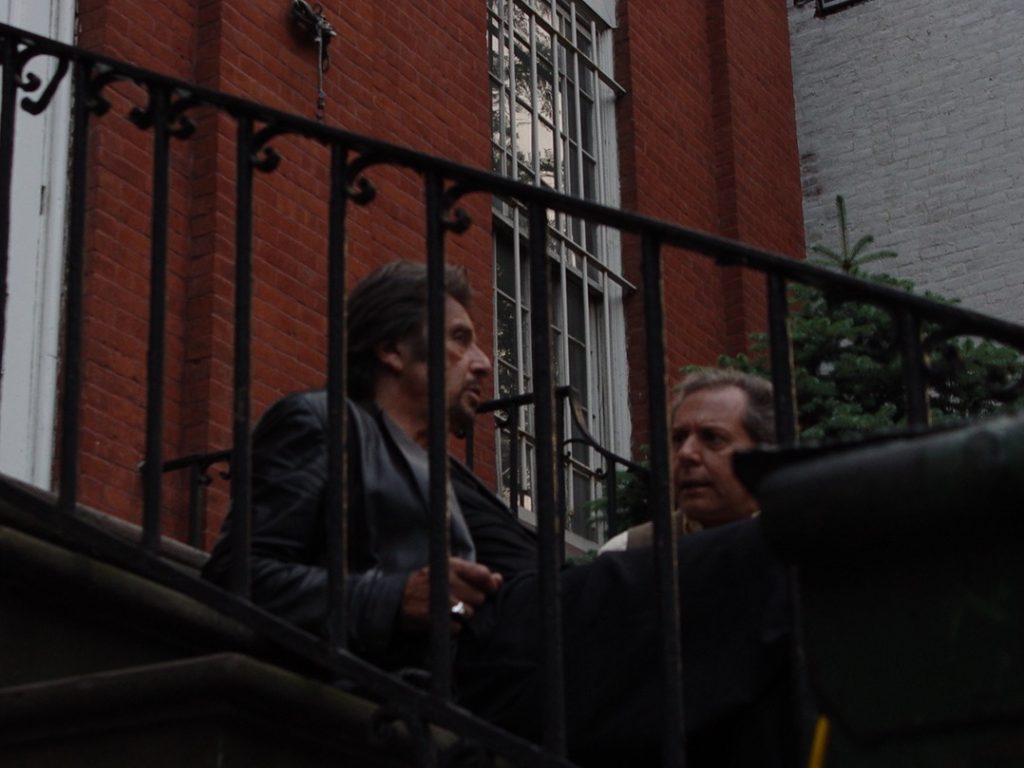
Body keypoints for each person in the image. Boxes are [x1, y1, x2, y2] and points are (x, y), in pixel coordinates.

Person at [203, 261, 794, 766]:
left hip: (542, 642)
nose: (483, 362)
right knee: (767, 560)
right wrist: (393, 597)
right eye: (460, 340)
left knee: (750, 694)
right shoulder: (324, 424)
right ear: (390, 350)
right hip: (485, 659)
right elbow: (236, 573)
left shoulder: (452, 474)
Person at [600, 369, 773, 552]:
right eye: (679, 438)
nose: (685, 453)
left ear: (764, 452)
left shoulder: (800, 546)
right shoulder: (627, 551)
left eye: (713, 438)